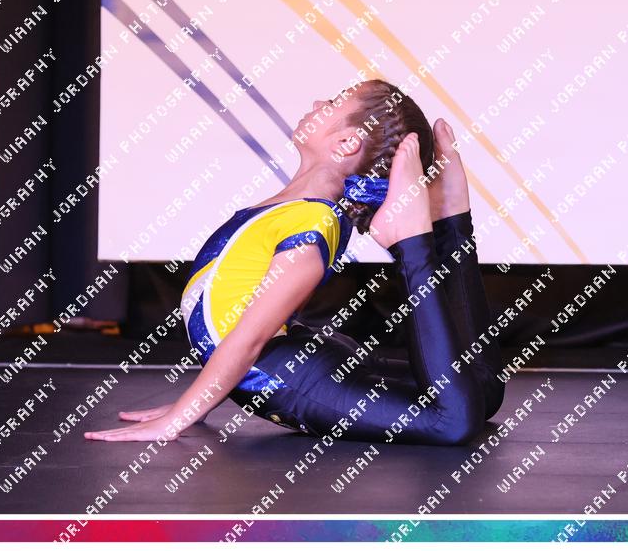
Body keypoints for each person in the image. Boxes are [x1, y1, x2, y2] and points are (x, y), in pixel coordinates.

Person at [85, 79, 505, 445]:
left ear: (348, 143)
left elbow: (248, 339)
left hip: (289, 376)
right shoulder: (301, 211)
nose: (320, 102)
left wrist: (179, 417)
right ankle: (448, 220)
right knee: (476, 390)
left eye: (335, 102)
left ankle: (418, 236)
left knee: (451, 419)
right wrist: (193, 401)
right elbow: (237, 317)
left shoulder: (313, 223)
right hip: (303, 357)